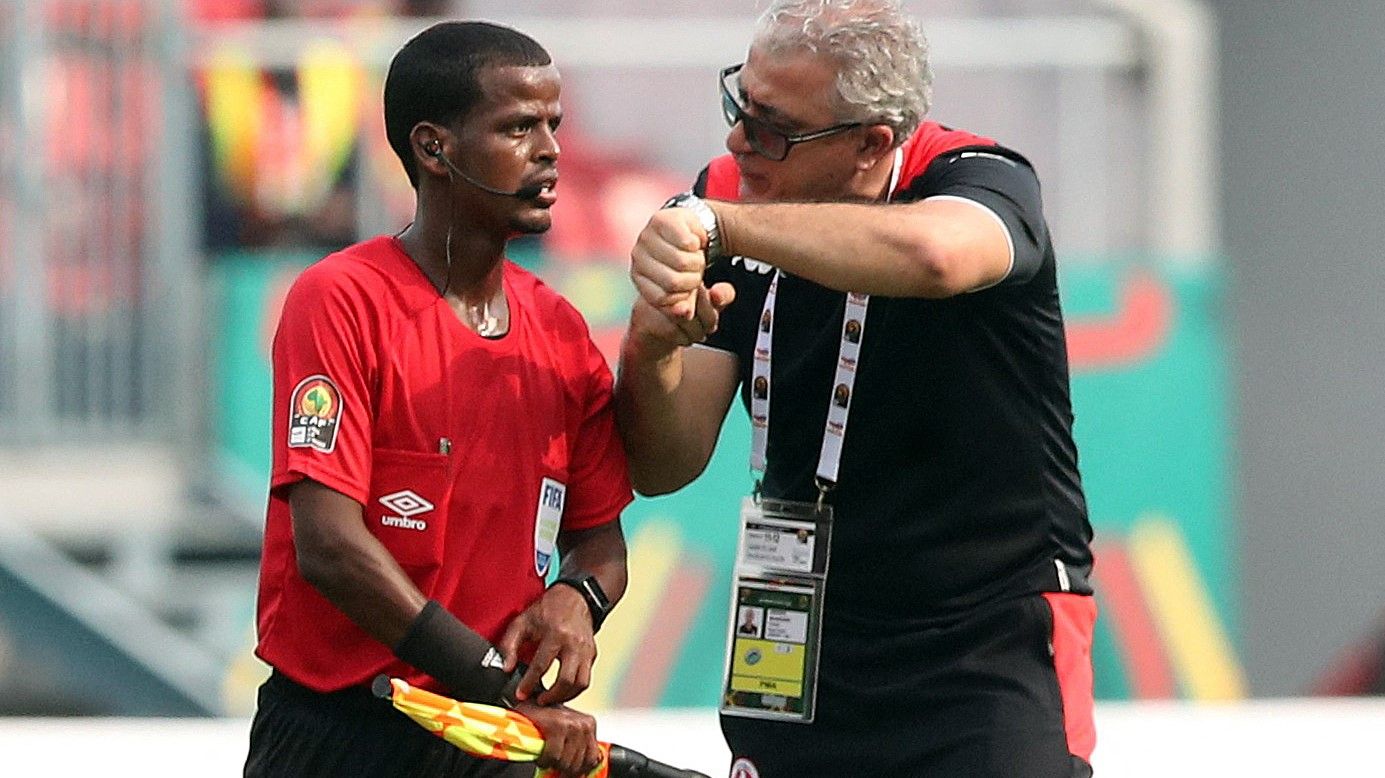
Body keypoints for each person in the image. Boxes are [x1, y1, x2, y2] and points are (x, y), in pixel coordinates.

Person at [615, 1, 1096, 775]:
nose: (737, 140)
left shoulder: (979, 177)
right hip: (802, 635)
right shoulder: (729, 189)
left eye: (772, 126)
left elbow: (936, 256)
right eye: (739, 101)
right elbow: (664, 462)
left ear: (873, 141)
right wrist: (653, 341)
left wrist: (725, 228)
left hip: (982, 642)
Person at [246, 21, 632, 778]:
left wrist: (578, 598)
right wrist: (495, 684)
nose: (550, 149)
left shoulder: (559, 329)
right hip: (342, 734)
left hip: (494, 740)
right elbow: (328, 547)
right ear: (434, 148)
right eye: (518, 127)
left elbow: (601, 542)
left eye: (553, 125)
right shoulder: (341, 300)